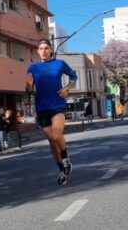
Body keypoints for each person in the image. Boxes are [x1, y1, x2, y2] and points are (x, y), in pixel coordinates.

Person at [25, 39, 77, 185]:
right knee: (52, 143)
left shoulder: (59, 64)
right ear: (37, 51)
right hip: (42, 108)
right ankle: (61, 169)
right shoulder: (32, 67)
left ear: (51, 50)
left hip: (57, 105)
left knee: (56, 134)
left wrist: (67, 89)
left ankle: (66, 159)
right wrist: (28, 85)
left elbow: (73, 77)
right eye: (41, 48)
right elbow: (28, 88)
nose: (44, 51)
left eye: (46, 48)